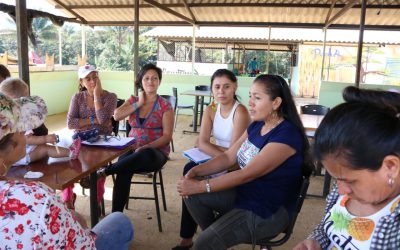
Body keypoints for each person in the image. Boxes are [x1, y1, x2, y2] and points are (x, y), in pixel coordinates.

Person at [177, 74, 313, 249]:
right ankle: (216, 236)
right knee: (191, 195)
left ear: (276, 103)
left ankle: (214, 238)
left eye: (257, 98)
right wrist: (195, 172)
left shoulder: (286, 135)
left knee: (204, 243)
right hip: (246, 195)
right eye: (250, 96)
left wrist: (202, 185)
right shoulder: (257, 125)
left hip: (267, 210)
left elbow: (245, 174)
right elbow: (228, 157)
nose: (250, 102)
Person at [0, 93, 133, 249]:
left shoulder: (107, 97)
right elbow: (83, 244)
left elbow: (103, 119)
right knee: (120, 221)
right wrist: (78, 222)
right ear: (9, 144)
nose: (26, 133)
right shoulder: (36, 198)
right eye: (21, 130)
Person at [293, 86, 400, 250]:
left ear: (391, 166)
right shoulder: (343, 189)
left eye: (350, 181)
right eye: (336, 178)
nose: (341, 190)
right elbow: (326, 227)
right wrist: (315, 241)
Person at [172, 69, 250, 250]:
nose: (221, 91)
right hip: (219, 158)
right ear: (212, 89)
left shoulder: (241, 112)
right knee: (188, 171)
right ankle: (187, 237)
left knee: (191, 181)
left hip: (234, 166)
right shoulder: (211, 109)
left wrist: (216, 152)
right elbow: (201, 142)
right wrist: (220, 153)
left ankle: (210, 233)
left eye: (227, 87)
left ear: (235, 87)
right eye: (217, 87)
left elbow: (234, 155)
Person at [99, 63, 174, 212]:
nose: (151, 82)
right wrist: (139, 103)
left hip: (155, 152)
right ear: (141, 81)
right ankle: (116, 215)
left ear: (159, 81)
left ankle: (106, 171)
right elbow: (117, 115)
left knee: (140, 156)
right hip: (132, 148)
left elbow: (167, 137)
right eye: (146, 78)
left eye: (155, 78)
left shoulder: (165, 106)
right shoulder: (133, 100)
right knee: (124, 168)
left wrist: (147, 146)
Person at [65, 64, 117, 209]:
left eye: (95, 77)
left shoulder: (110, 97)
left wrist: (95, 97)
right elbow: (70, 123)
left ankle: (96, 202)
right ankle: (68, 200)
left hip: (102, 141)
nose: (93, 81)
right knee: (66, 165)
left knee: (97, 168)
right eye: (88, 79)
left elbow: (102, 119)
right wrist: (92, 120)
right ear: (81, 83)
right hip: (81, 141)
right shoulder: (77, 97)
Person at [0, 77, 78, 167]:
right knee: (45, 149)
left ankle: (71, 152)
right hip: (23, 156)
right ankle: (71, 152)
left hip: (19, 154)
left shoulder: (11, 121)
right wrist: (45, 139)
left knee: (45, 148)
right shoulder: (20, 122)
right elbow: (27, 139)